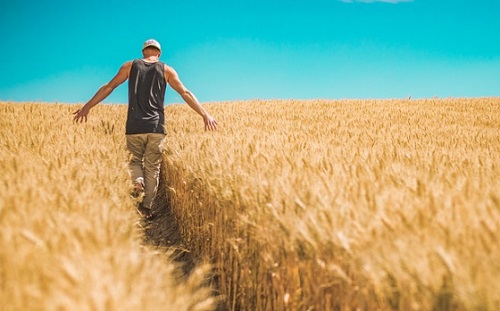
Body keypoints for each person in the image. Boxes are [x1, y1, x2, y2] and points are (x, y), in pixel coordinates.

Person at [73, 39, 218, 219]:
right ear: (159, 53)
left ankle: (137, 181)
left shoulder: (129, 66)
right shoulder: (167, 70)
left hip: (134, 125)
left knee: (134, 162)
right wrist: (205, 115)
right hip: (156, 127)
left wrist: (87, 107)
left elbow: (109, 87)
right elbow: (185, 93)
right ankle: (146, 208)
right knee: (153, 168)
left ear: (143, 52)